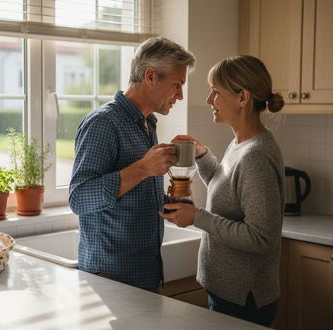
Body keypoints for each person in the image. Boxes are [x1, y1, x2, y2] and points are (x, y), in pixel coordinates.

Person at [160, 55, 285, 326]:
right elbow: (227, 187)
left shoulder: (256, 156)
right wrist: (203, 155)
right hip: (230, 293)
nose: (208, 100)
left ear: (243, 97)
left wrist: (197, 217)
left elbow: (262, 239)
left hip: (244, 299)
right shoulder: (241, 143)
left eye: (216, 92)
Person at [69, 37, 196, 291]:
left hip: (146, 273)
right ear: (151, 76)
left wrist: (170, 203)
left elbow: (131, 193)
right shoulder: (103, 123)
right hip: (111, 279)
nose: (180, 95)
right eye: (177, 85)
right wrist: (143, 168)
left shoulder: (147, 124)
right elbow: (79, 198)